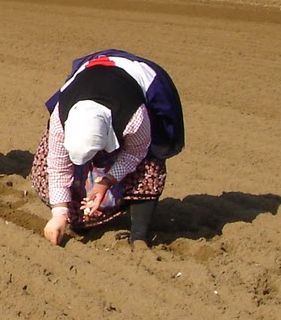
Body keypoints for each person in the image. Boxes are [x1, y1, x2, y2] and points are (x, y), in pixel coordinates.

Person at [31, 49, 185, 248]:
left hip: (135, 94)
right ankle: (78, 219)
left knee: (150, 165)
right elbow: (58, 167)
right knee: (46, 167)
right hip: (92, 81)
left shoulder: (135, 117)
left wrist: (105, 182)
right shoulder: (60, 119)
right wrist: (59, 214)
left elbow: (134, 153)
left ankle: (139, 235)